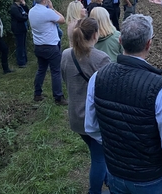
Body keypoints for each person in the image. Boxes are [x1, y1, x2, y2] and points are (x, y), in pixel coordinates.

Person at [85, 14, 162, 194]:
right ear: (149, 44)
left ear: (120, 40)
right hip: (153, 178)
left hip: (116, 172)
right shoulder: (160, 88)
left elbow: (91, 127)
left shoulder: (98, 78)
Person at [61, 18, 111, 194]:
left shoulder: (66, 54)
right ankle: (94, 191)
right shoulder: (101, 59)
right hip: (94, 119)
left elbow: (64, 78)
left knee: (96, 153)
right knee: (100, 158)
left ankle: (107, 180)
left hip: (75, 116)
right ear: (96, 35)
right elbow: (109, 90)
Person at [28, 0, 68, 106]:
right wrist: (52, 8)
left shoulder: (31, 11)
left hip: (38, 45)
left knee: (41, 70)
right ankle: (58, 97)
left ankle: (37, 93)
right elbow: (62, 20)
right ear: (45, 0)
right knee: (56, 71)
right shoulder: (47, 12)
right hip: (50, 46)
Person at [9, 0, 29, 68]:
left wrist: (24, 5)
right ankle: (20, 62)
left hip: (23, 28)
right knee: (20, 45)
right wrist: (26, 17)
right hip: (18, 29)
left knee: (23, 44)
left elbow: (28, 12)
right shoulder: (14, 7)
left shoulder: (20, 6)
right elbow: (20, 17)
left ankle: (25, 59)